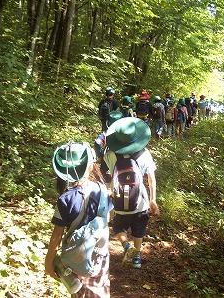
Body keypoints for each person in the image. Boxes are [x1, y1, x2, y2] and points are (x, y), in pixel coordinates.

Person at [45, 142, 113, 297]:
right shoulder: (101, 189)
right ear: (90, 166)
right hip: (100, 254)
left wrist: (49, 262)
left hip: (76, 258)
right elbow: (106, 217)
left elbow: (57, 236)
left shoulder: (65, 199)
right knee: (100, 290)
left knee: (79, 293)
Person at [104, 117, 160, 269]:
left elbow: (111, 175)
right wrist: (153, 199)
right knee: (139, 229)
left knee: (118, 228)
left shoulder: (109, 154)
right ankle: (137, 257)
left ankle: (127, 247)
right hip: (140, 202)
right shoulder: (145, 154)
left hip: (119, 201)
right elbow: (151, 179)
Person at [94, 110, 124, 183]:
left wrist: (100, 156)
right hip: (124, 160)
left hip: (107, 158)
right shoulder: (125, 133)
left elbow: (97, 143)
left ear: (108, 123)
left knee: (104, 176)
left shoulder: (105, 134)